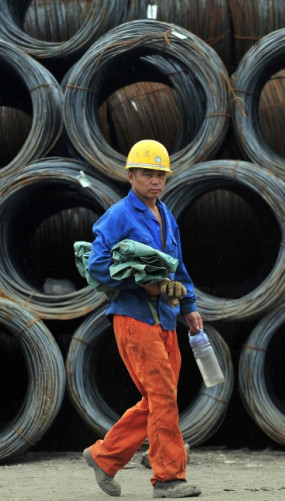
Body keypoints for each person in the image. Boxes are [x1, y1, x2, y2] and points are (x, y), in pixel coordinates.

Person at [83, 139, 203, 498]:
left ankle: (104, 456)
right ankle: (168, 478)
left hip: (166, 320)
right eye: (147, 174)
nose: (155, 181)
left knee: (157, 398)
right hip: (134, 319)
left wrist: (190, 307)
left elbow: (178, 267)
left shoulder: (166, 216)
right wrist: (144, 284)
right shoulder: (119, 215)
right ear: (131, 175)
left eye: (160, 175)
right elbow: (97, 267)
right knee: (163, 396)